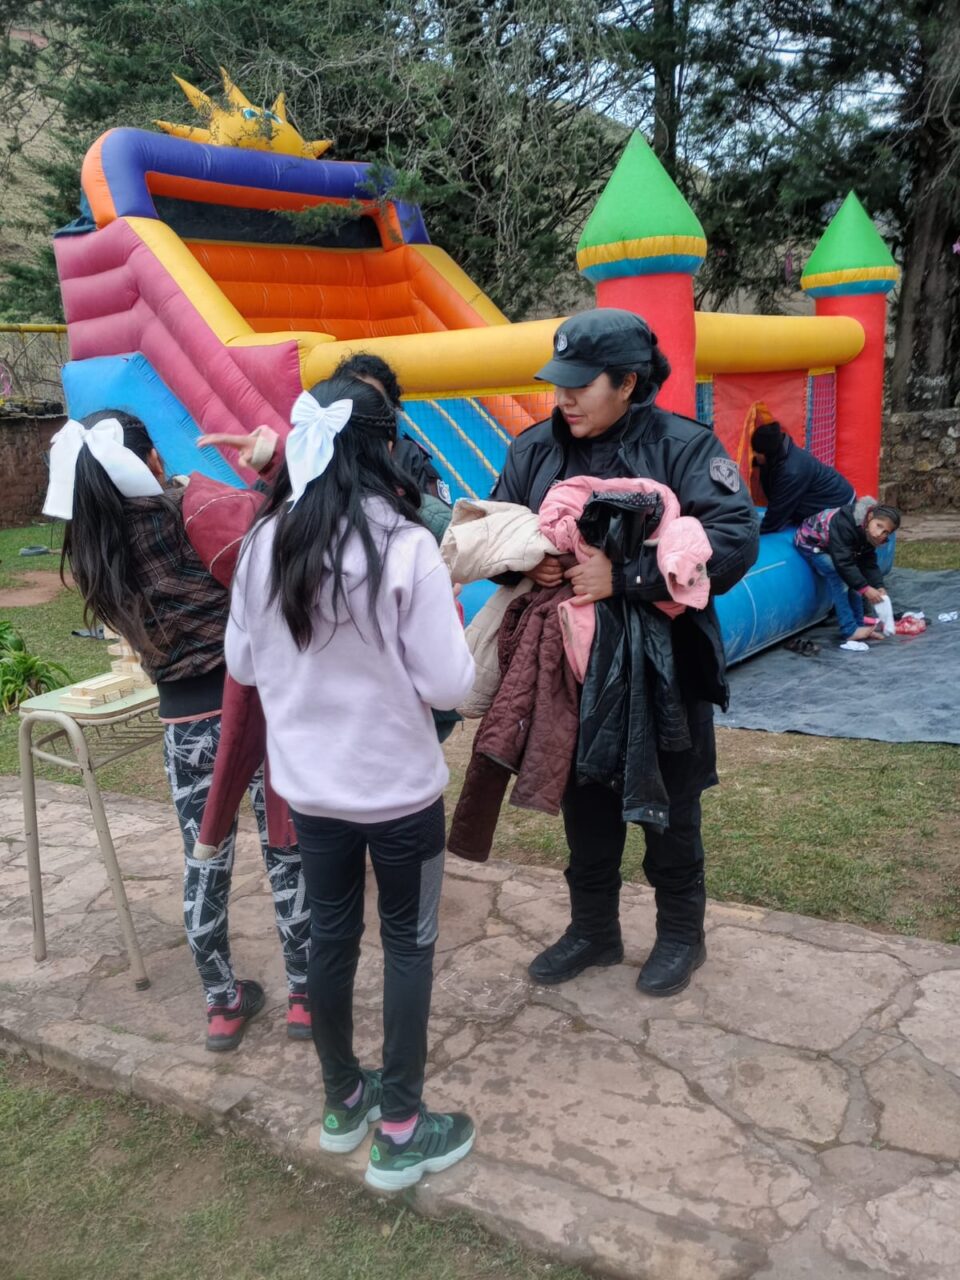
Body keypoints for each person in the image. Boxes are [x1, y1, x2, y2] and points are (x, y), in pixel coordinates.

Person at [226, 372, 477, 1191]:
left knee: (331, 936)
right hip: (402, 794)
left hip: (312, 794)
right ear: (383, 448)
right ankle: (402, 1128)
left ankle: (344, 1102)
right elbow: (448, 686)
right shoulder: (405, 548)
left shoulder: (263, 544)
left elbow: (241, 663)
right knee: (409, 943)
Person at [491, 308, 759, 997]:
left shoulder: (685, 448)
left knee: (671, 805)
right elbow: (495, 530)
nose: (565, 398)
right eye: (558, 383)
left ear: (628, 382)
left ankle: (680, 936)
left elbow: (732, 540)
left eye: (582, 384)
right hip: (571, 673)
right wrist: (531, 563)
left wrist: (631, 580)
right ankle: (594, 931)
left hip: (665, 671)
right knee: (585, 804)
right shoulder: (533, 451)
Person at [45, 411, 310, 1052]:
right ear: (151, 463)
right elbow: (270, 536)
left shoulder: (91, 555)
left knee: (204, 859)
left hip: (182, 725)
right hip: (251, 710)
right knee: (286, 848)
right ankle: (307, 994)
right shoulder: (183, 516)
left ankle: (221, 1005)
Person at [794, 498, 900, 643]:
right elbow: (843, 563)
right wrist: (865, 588)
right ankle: (849, 629)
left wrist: (878, 585)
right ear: (870, 517)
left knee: (856, 581)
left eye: (885, 532)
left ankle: (860, 627)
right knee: (840, 578)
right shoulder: (845, 524)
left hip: (838, 548)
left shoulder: (869, 532)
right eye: (879, 526)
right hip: (812, 544)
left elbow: (868, 562)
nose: (878, 533)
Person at [751, 420, 855, 533]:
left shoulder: (791, 471)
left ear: (767, 453)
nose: (754, 455)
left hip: (842, 505)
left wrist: (753, 533)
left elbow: (775, 516)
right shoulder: (781, 453)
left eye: (756, 452)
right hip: (836, 495)